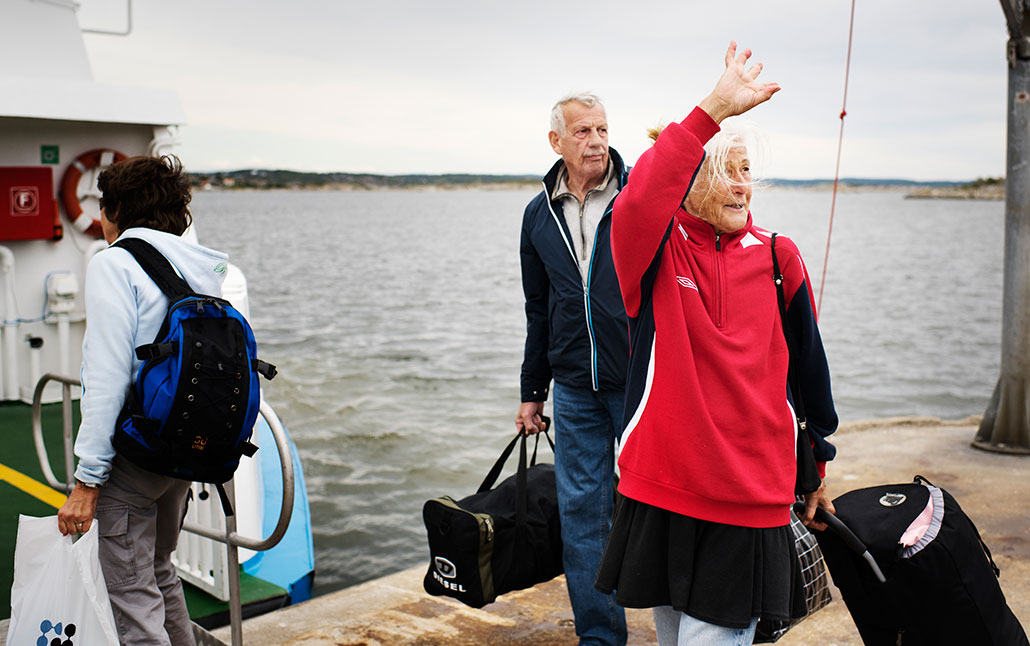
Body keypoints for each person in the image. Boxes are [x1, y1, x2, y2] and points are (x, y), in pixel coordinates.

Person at [594, 43, 839, 646]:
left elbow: (811, 373)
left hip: (748, 499)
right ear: (691, 180)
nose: (741, 186)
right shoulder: (652, 249)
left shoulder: (780, 258)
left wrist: (818, 465)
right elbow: (644, 195)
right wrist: (713, 108)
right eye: (724, 170)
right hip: (663, 487)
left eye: (746, 170)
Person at [57, 155, 229, 646]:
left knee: (131, 591)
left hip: (136, 454)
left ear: (114, 212)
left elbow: (109, 376)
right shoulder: (204, 265)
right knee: (158, 569)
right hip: (185, 448)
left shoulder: (114, 264)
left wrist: (89, 480)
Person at [516, 92, 630, 646]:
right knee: (583, 517)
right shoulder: (538, 215)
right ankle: (601, 637)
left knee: (661, 507)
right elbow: (539, 308)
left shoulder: (636, 196)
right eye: (582, 131)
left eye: (602, 129)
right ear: (556, 142)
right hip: (574, 389)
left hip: (639, 383)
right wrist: (531, 390)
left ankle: (690, 628)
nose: (596, 140)